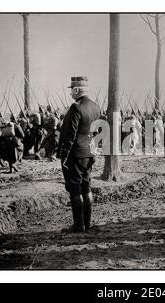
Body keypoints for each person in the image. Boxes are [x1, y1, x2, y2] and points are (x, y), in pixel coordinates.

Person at [58, 76, 101, 233]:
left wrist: (64, 156)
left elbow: (70, 135)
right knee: (86, 186)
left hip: (75, 154)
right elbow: (97, 131)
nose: (70, 93)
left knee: (75, 189)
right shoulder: (96, 107)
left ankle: (79, 225)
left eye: (72, 90)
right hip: (89, 153)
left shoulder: (76, 108)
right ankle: (87, 223)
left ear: (77, 90)